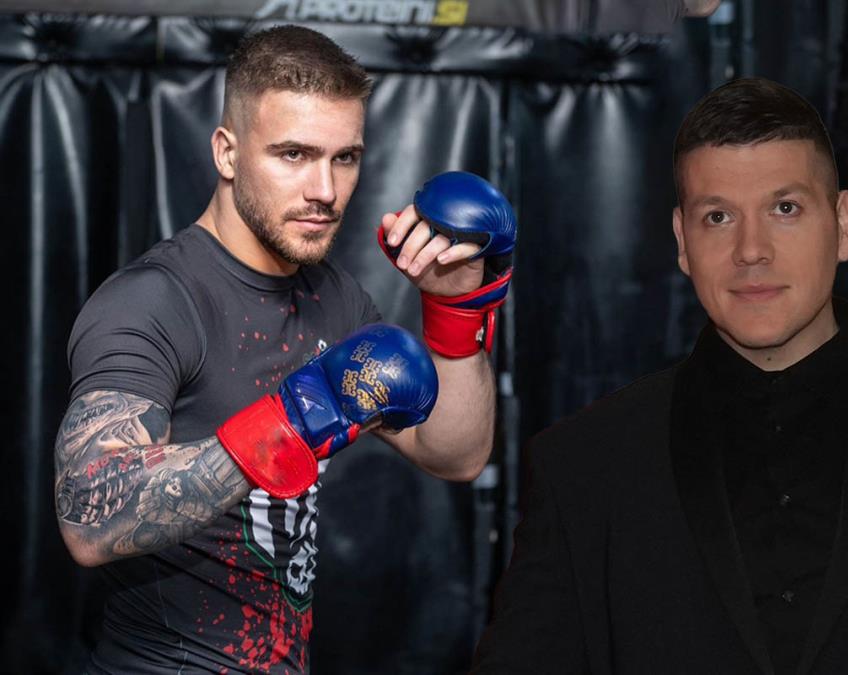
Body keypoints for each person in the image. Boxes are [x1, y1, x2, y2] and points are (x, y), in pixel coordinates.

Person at [471, 77, 848, 674]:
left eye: (785, 208)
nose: (751, 249)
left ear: (843, 224)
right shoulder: (584, 468)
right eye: (718, 216)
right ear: (682, 241)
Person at [54, 25, 514, 674]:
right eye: (294, 154)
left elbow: (456, 454)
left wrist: (455, 312)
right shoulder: (153, 301)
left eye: (344, 157)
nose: (324, 189)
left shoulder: (335, 297)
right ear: (227, 152)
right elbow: (88, 518)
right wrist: (291, 422)